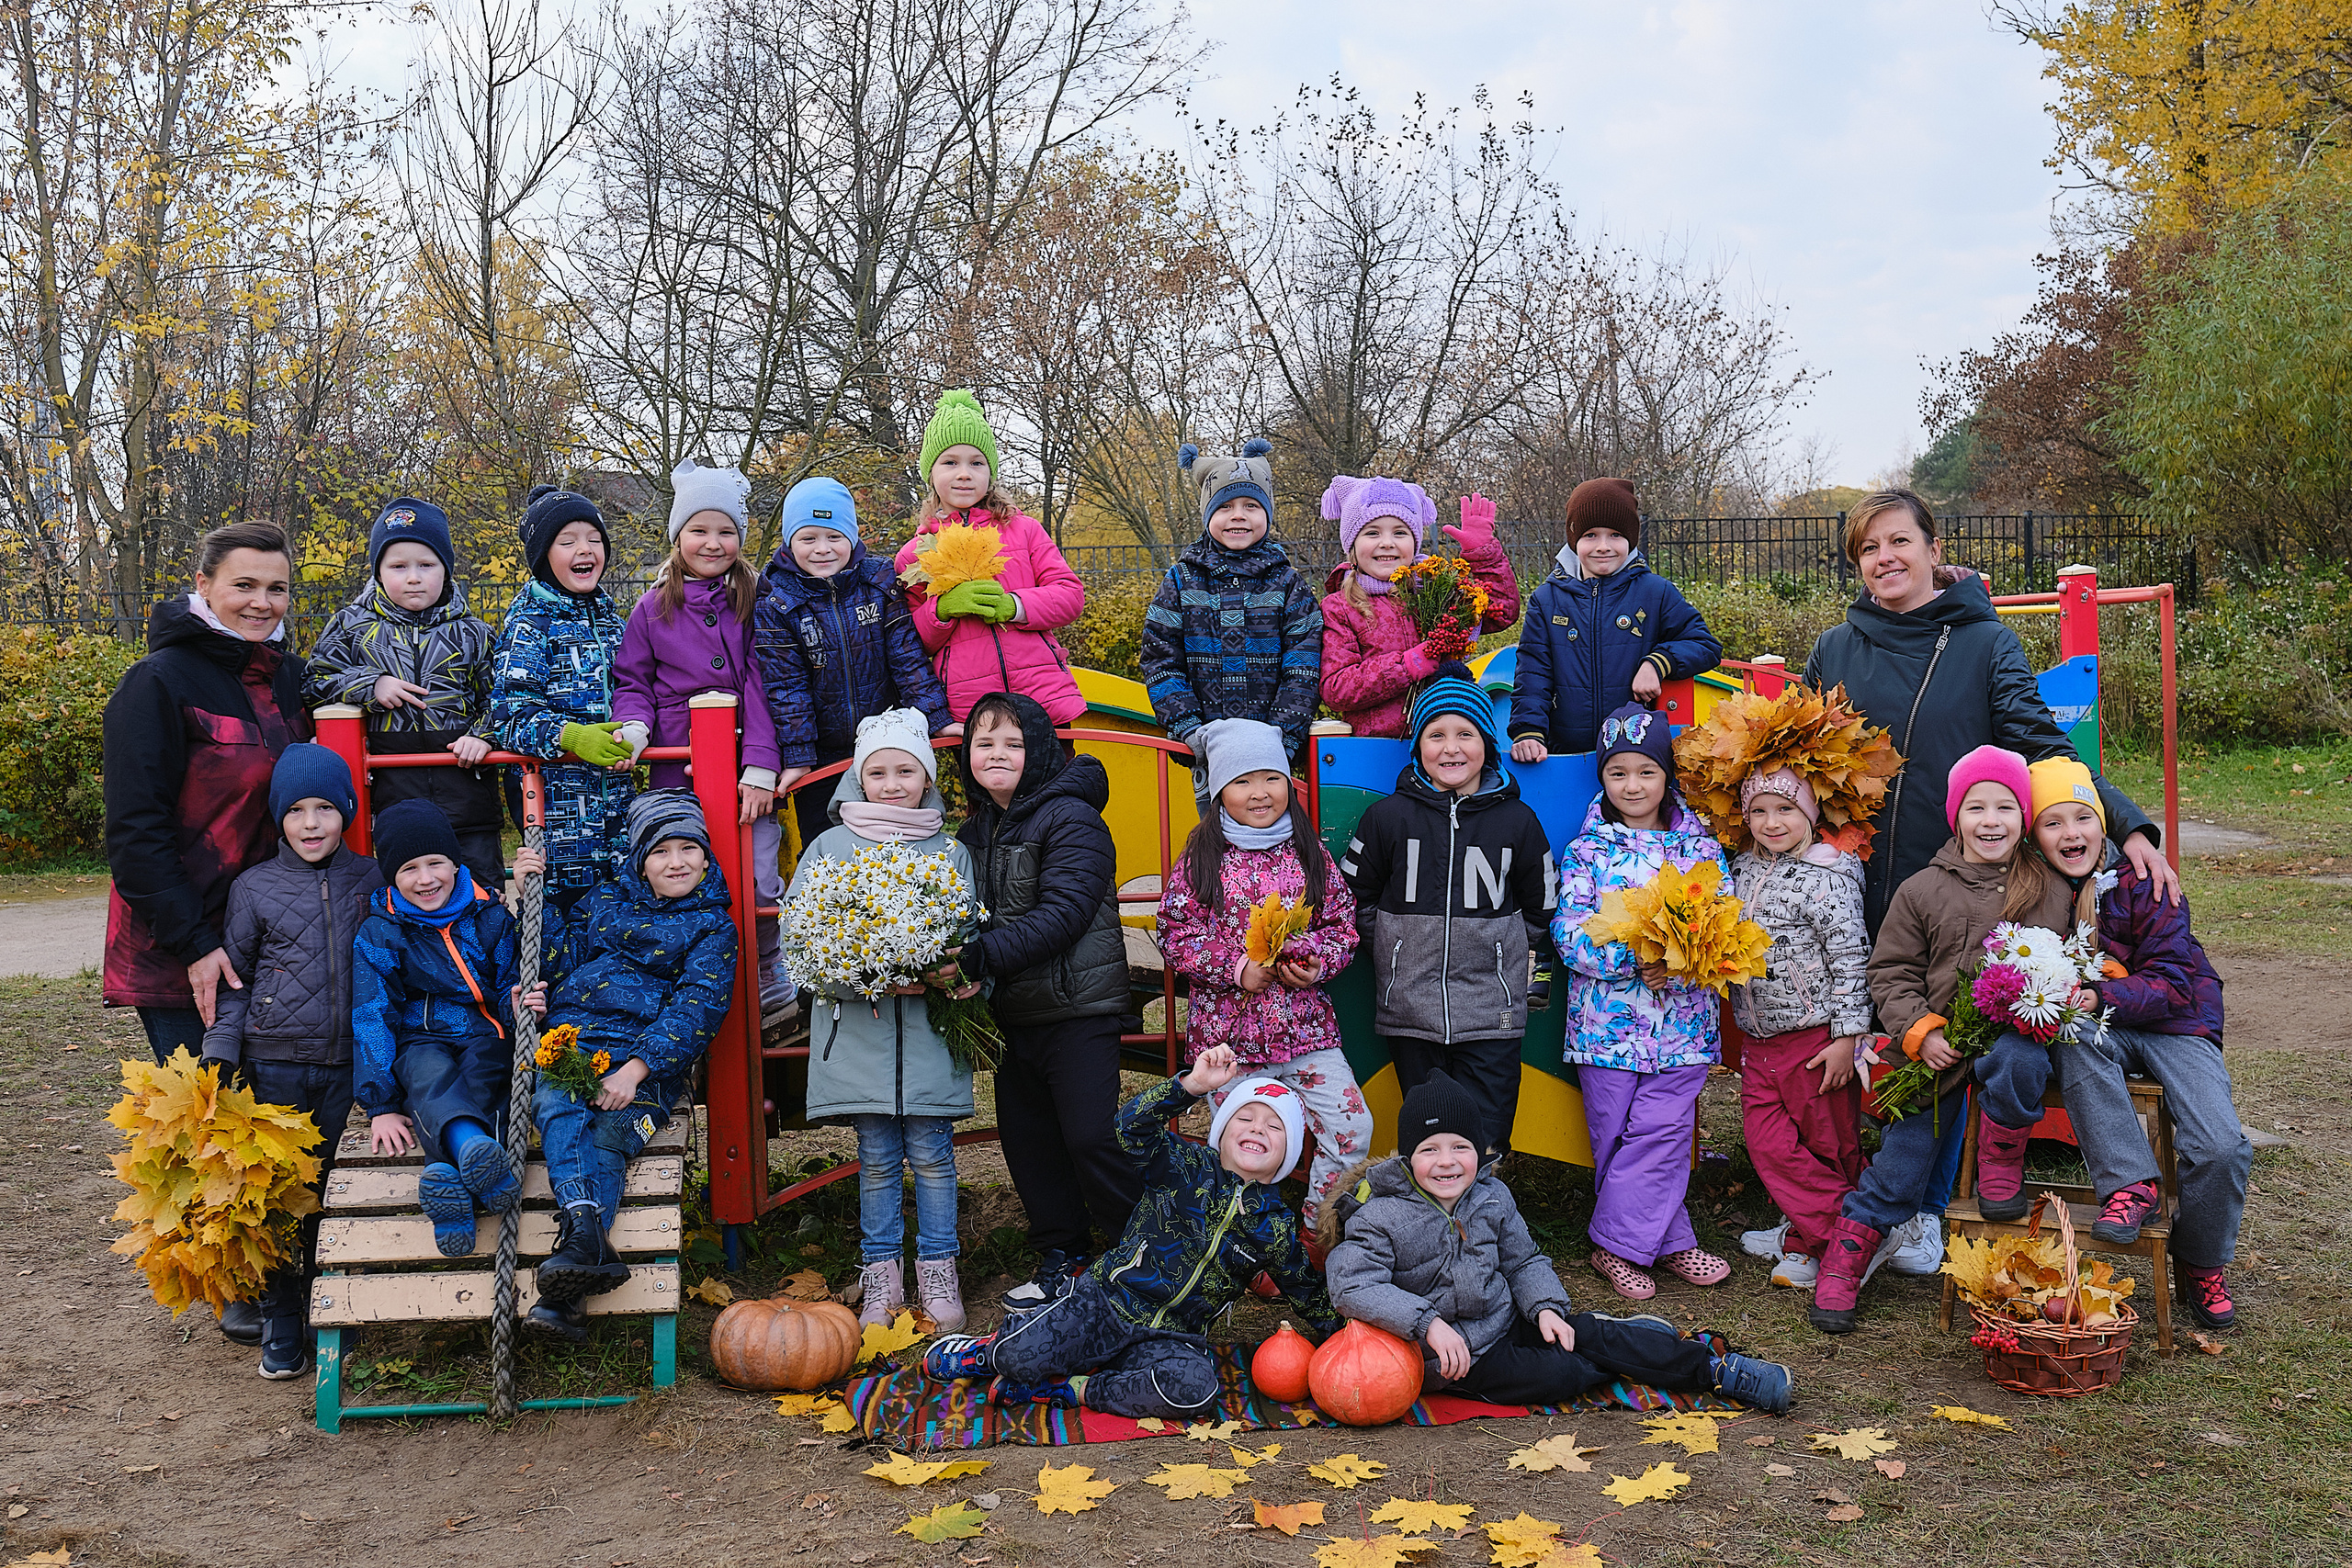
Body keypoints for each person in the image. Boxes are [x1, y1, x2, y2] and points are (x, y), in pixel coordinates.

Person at [1802, 488, 2178, 1276]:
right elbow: (1800, 759)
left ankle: (1920, 1215)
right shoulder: (1835, 647)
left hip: (1955, 884)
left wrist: (2129, 824)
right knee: (1878, 1035)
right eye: (1868, 548)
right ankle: (1844, 1204)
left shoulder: (1983, 643)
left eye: (1899, 541)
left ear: (1934, 549)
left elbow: (2043, 746)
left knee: (1947, 1042)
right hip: (1854, 880)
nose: (1885, 558)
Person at [103, 521, 311, 1349]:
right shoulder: (157, 683)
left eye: (277, 587)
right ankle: (233, 1283)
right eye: (244, 585)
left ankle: (282, 1272)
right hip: (181, 941)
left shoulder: (287, 678)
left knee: (272, 1108)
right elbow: (135, 832)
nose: (262, 602)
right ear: (204, 585)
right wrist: (193, 941)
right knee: (211, 1112)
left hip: (269, 933)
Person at [1322, 1070, 1793, 1414]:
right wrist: (1427, 1325)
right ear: (1408, 1158)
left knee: (1587, 1334)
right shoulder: (1380, 1214)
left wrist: (1545, 1307)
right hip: (1447, 1356)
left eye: (1460, 1147)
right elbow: (1352, 1286)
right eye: (1430, 1150)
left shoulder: (1491, 1196)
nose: (1447, 1162)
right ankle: (1635, 1351)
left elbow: (1523, 1261)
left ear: (1479, 1152)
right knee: (1561, 1373)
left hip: (1505, 1319)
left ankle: (1716, 1370)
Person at [1809, 747, 2079, 1334]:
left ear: (2024, 816)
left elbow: (2071, 962)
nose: (1991, 821)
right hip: (1938, 1047)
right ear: (1956, 815)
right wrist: (1920, 1030)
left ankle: (2001, 1160)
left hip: (2014, 1033)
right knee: (1904, 1157)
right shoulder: (1923, 889)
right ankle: (1848, 1253)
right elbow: (1891, 970)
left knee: (2018, 1060)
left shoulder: (2051, 889)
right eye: (1976, 807)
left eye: (2006, 807)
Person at [920, 1045, 1338, 1419]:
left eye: (1275, 1127)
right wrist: (1191, 1086)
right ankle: (987, 1352)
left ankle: (1075, 1389)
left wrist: (1344, 1336)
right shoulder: (1183, 1165)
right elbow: (1130, 1126)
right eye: (1244, 1118)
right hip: (1104, 1304)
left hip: (1172, 1336)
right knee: (1017, 1357)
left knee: (1196, 1391)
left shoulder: (1275, 1226)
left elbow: (1306, 1290)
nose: (1258, 1128)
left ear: (1288, 1153)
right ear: (1222, 1133)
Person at [2030, 757, 2248, 1330]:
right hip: (2102, 1023)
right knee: (2071, 1034)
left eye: (2083, 818)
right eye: (2053, 823)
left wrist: (2101, 994)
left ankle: (2201, 1261)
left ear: (2104, 825)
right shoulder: (2033, 888)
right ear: (2034, 835)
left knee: (2221, 1147)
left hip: (2177, 1024)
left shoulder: (2143, 878)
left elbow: (2175, 983)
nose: (2071, 833)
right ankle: (2131, 1183)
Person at [513, 789, 738, 1343]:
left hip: (645, 1063)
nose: (676, 862)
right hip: (574, 1041)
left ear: (706, 855)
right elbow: (559, 959)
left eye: (689, 848)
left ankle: (570, 1277)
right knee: (555, 1101)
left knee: (610, 1136)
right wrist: (530, 899)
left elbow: (698, 1006)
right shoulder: (602, 902)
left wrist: (636, 1069)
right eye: (661, 851)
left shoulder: (713, 926)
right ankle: (585, 1240)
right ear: (639, 859)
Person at [787, 711, 980, 1333]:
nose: (892, 784)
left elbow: (971, 937)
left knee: (934, 1157)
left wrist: (951, 970)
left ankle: (940, 1271)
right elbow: (801, 946)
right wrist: (867, 973)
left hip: (930, 1037)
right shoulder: (829, 848)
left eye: (906, 771)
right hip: (859, 1043)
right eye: (878, 772)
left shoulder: (950, 851)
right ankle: (881, 1277)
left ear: (928, 778)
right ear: (857, 778)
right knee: (874, 1160)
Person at [198, 744, 384, 1380]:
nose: (311, 823)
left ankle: (326, 1306)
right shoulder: (254, 887)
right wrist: (221, 1052)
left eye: (325, 809)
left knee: (333, 1189)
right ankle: (280, 1314)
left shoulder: (373, 879)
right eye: (297, 810)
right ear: (279, 816)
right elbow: (236, 980)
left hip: (347, 1066)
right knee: (279, 1194)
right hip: (274, 1063)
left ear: (347, 812)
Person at [951, 692, 1141, 1308]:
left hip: (1076, 1007)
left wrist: (981, 956)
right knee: (1028, 1142)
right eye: (984, 742)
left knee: (1091, 1137)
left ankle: (1144, 1256)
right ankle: (1065, 1257)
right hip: (1015, 1013)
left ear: (1040, 751)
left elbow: (1064, 914)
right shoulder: (973, 831)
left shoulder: (1071, 818)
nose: (997, 753)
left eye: (1014, 742)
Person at [1156, 718, 1367, 1231]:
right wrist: (1236, 969)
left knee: (1352, 1130)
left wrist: (1315, 960)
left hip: (1306, 1033)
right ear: (1219, 790)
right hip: (1230, 1042)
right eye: (1242, 781)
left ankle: (1317, 1233)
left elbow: (1342, 924)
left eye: (1272, 778)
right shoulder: (1202, 858)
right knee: (1243, 1148)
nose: (1259, 792)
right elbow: (1174, 933)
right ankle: (1248, 1241)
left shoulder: (1310, 852)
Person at [1340, 664, 1555, 1159]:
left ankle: (1484, 1203)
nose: (1451, 748)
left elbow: (1541, 901)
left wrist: (1505, 952)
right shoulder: (1386, 818)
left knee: (1488, 1129)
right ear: (1418, 745)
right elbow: (1353, 896)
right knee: (1427, 1132)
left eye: (1466, 734)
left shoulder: (1517, 820)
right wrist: (1392, 948)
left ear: (1488, 745)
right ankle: (1424, 1207)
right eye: (1436, 734)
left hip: (1492, 1009)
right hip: (1410, 1007)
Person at [1554, 704, 1731, 1300]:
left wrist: (1677, 965)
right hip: (1605, 1027)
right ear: (1604, 778)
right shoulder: (1586, 851)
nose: (1633, 785)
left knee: (1663, 1132)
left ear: (1666, 776)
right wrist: (1636, 957)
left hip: (1683, 1027)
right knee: (1615, 1137)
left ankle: (1615, 1247)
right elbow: (1569, 933)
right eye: (1618, 773)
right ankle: (1671, 1240)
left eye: (1646, 772)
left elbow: (1723, 928)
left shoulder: (1700, 848)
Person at [610, 460, 783, 1003]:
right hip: (677, 768)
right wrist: (636, 728)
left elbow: (763, 680)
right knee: (684, 874)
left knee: (757, 876)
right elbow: (632, 679)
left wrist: (761, 761)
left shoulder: (756, 601)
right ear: (677, 536)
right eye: (699, 530)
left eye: (726, 531)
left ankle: (767, 969)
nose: (712, 543)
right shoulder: (652, 608)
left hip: (743, 768)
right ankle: (687, 986)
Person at [349, 799, 525, 1260]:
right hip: (419, 1038)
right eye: (409, 869)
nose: (425, 879)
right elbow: (372, 1014)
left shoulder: (489, 916)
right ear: (391, 875)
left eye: (436, 863)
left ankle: (450, 1184)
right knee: (429, 1077)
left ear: (455, 862)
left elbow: (510, 982)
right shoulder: (381, 933)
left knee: (485, 1079)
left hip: (485, 1032)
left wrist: (516, 1007)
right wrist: (382, 1105)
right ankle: (474, 1154)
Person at [301, 497, 503, 890]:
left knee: (483, 896)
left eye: (426, 565)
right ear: (378, 572)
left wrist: (482, 735)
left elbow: (502, 699)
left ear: (446, 569)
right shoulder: (351, 627)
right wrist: (370, 685)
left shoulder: (475, 633)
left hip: (466, 798)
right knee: (400, 895)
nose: (414, 578)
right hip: (390, 799)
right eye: (398, 567)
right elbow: (314, 682)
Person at [1725, 767, 1873, 1291]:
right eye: (1759, 811)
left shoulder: (1828, 877)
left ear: (1810, 813)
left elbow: (1852, 960)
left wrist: (1847, 1036)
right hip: (1758, 1036)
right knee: (1768, 1143)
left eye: (1786, 809)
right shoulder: (1739, 869)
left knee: (1828, 1145)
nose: (1772, 822)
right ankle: (1856, 1231)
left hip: (1815, 1038)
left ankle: (1815, 1243)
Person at [754, 475, 954, 863]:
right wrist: (799, 755)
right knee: (826, 847)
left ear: (853, 537)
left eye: (834, 536)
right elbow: (786, 685)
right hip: (824, 751)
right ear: (789, 542)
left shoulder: (878, 583)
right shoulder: (777, 600)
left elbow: (906, 657)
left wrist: (936, 718)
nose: (822, 549)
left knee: (899, 841)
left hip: (886, 741)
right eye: (808, 538)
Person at [891, 389, 1086, 726]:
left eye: (976, 463)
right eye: (950, 462)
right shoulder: (916, 553)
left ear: (990, 472)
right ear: (930, 473)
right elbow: (909, 641)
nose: (964, 473)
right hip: (970, 710)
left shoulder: (1024, 530)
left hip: (1043, 699)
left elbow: (1070, 596)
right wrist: (941, 610)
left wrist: (1015, 606)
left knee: (1057, 764)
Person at [490, 485, 634, 916]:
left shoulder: (612, 621)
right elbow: (510, 715)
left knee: (624, 917)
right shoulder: (529, 624)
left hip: (618, 807)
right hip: (557, 815)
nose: (584, 549)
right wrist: (571, 737)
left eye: (594, 539)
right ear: (543, 557)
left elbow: (636, 689)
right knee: (566, 921)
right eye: (567, 541)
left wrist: (633, 733)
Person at [1139, 441, 1323, 774]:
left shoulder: (1288, 584)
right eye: (1224, 507)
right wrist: (1187, 725)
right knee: (1212, 812)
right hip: (1205, 746)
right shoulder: (1181, 581)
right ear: (1208, 515)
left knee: (1271, 810)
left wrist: (1283, 735)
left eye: (1251, 505)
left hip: (1272, 749)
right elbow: (1160, 658)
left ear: (1267, 514)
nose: (1238, 515)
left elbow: (1304, 664)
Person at [1509, 478, 1719, 761]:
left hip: (1637, 753)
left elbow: (1704, 645)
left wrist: (1657, 663)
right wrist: (1528, 731)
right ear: (1574, 540)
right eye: (1590, 535)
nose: (1603, 546)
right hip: (1566, 754)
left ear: (1630, 539)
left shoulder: (1655, 592)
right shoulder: (1547, 600)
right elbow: (1533, 672)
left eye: (1616, 535)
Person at [1317, 479, 1518, 739]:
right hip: (1377, 746)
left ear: (1415, 542)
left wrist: (1483, 554)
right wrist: (1407, 666)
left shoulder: (1438, 589)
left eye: (1400, 533)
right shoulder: (1340, 607)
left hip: (1446, 742)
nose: (1387, 542)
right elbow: (1336, 688)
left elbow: (1502, 612)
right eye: (1372, 533)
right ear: (1352, 545)